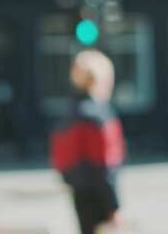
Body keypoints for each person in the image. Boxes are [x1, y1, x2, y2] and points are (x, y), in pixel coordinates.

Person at [50, 50, 126, 234]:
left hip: (79, 189)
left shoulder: (70, 113)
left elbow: (61, 156)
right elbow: (105, 164)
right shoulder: (98, 116)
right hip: (100, 193)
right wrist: (113, 207)